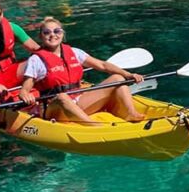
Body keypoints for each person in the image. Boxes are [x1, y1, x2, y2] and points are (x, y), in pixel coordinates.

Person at [18, 17, 147, 125]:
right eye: (47, 32)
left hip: (78, 101)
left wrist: (128, 74)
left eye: (57, 31)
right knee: (62, 97)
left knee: (118, 78)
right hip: (53, 108)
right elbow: (25, 89)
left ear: (63, 34)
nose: (53, 35)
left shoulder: (75, 52)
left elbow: (102, 65)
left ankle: (131, 114)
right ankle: (92, 126)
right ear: (41, 36)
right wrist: (24, 94)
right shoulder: (36, 60)